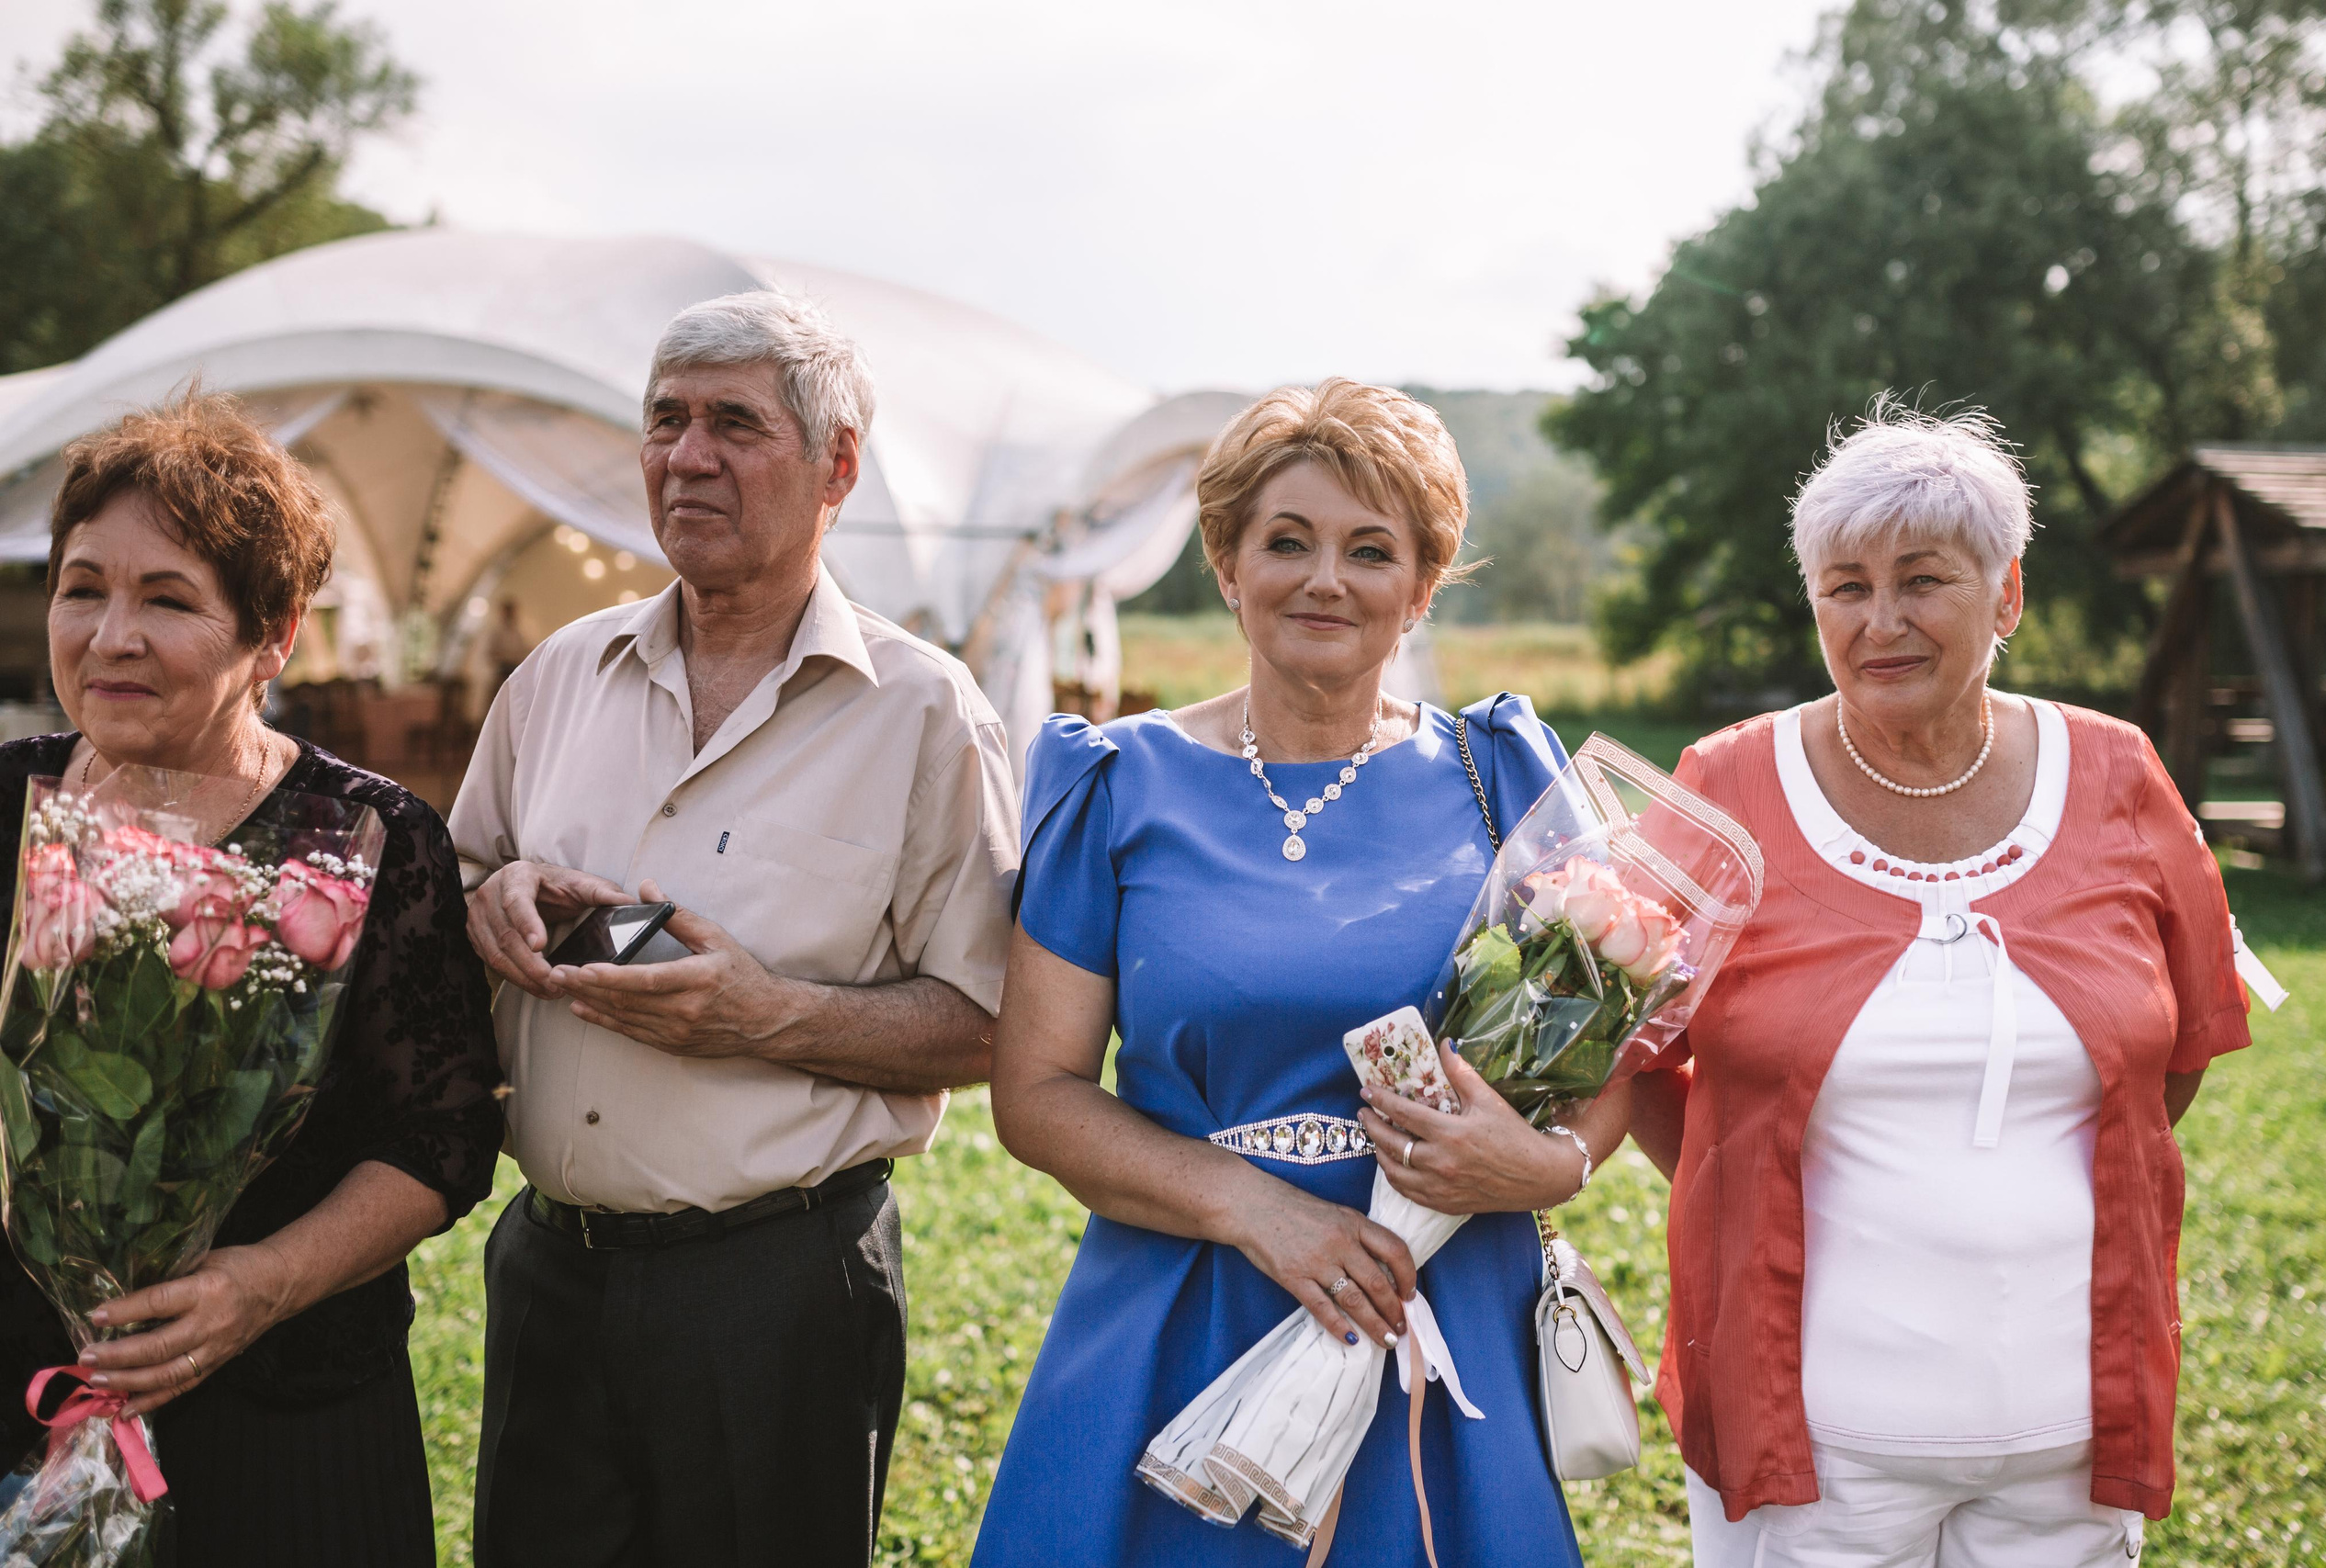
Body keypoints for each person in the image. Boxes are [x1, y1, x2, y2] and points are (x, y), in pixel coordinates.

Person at [972, 378, 1620, 1566]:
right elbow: (1037, 1092)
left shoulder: (1500, 775)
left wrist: (1550, 1164)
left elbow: (1622, 1041)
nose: (1326, 578)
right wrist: (1254, 1210)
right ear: (1226, 564)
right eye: (1286, 541)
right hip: (1185, 1303)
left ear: (1420, 587)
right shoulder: (1114, 785)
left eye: (1371, 550)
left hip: (1437, 1302)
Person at [450, 290, 1017, 1568]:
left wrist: (768, 1014)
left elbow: (990, 1023)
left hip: (779, 1286)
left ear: (838, 465)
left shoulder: (925, 713)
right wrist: (490, 896)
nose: (687, 455)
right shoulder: (558, 675)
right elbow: (467, 876)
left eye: (734, 424)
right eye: (666, 419)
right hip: (550, 1269)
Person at [1631, 408, 2254, 1566]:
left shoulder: (2116, 770)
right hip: (1809, 1437)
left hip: (2070, 1433)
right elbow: (1630, 1057)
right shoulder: (1726, 786)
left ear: (2005, 594)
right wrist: (1747, 1168)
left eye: (1921, 580)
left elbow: (2171, 1056)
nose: (1880, 622)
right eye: (1845, 588)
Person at [0, 390, 503, 1565]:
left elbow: (441, 1138)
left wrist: (261, 1285)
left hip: (288, 1409)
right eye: (84, 587)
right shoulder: (8, 803)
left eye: (168, 600)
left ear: (273, 635)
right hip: (26, 1383)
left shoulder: (370, 843)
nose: (110, 635)